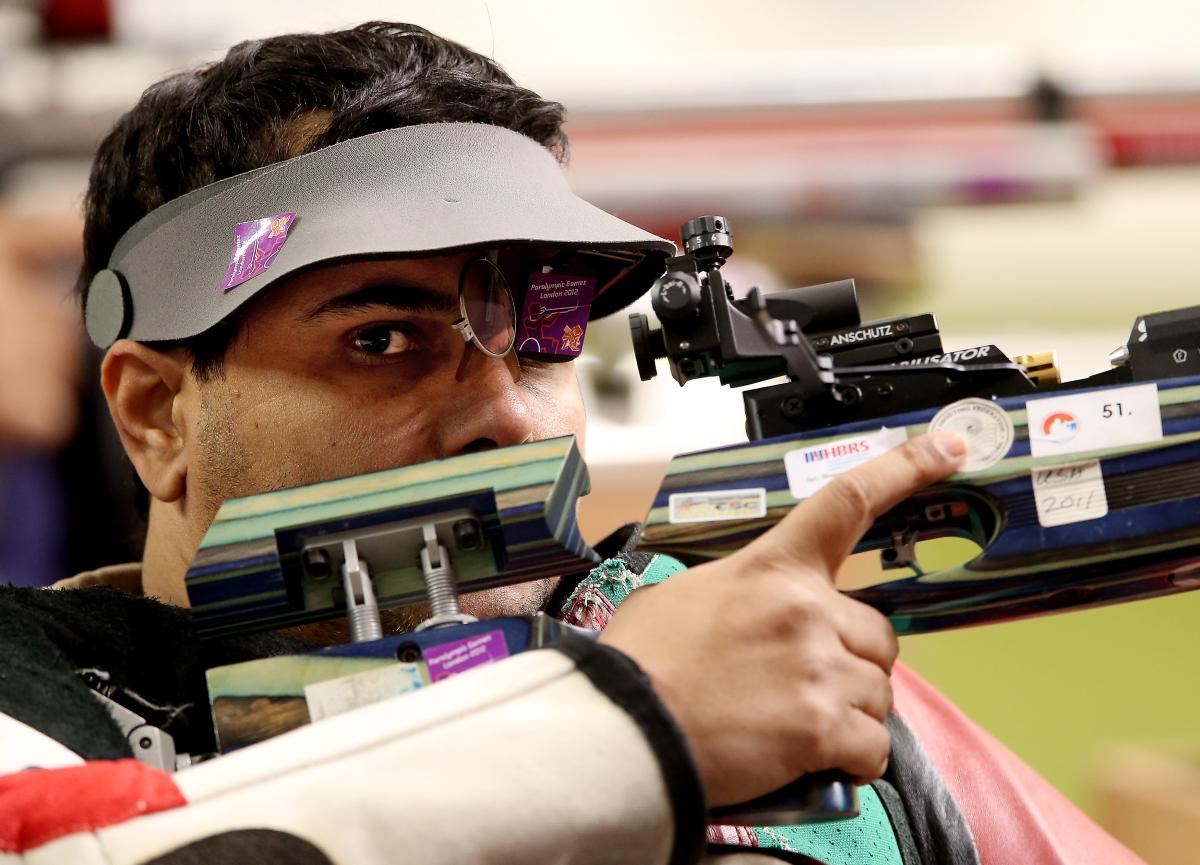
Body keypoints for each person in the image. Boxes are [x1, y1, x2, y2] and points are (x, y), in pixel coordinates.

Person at [0, 22, 1144, 865]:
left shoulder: (760, 661)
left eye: (543, 336)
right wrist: (624, 726)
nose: (508, 413)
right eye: (384, 338)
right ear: (157, 413)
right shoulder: (28, 705)